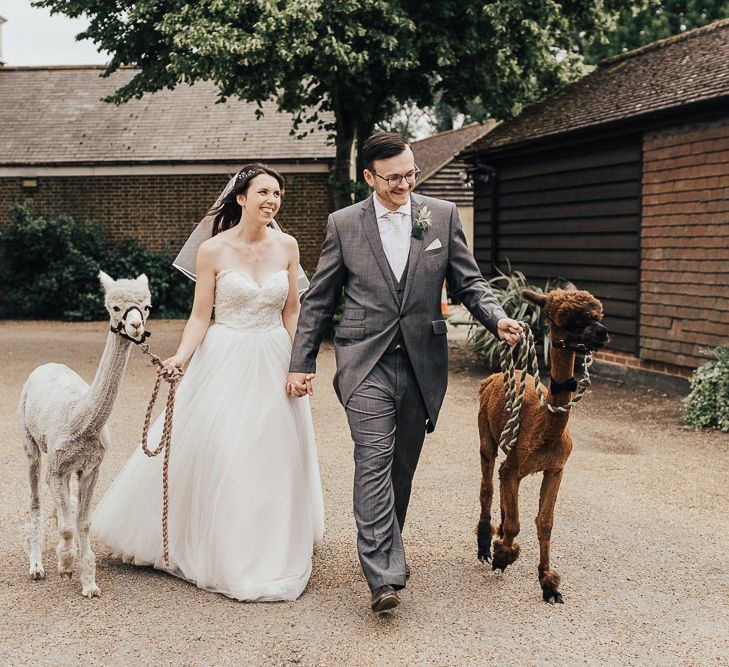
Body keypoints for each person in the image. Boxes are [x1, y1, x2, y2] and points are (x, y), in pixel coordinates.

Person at [286, 133, 522, 614]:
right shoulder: (344, 224)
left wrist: (496, 318)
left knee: (401, 466)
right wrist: (301, 362)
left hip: (421, 361)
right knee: (374, 458)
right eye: (393, 177)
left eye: (410, 174)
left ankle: (386, 548)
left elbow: (469, 281)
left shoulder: (440, 215)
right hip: (364, 359)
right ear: (369, 177)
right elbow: (319, 300)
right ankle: (383, 575)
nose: (404, 184)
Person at [91, 164, 324, 602]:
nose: (272, 200)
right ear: (241, 198)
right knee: (229, 448)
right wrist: (180, 357)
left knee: (274, 450)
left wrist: (301, 360)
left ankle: (271, 537)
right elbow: (202, 315)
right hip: (226, 355)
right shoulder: (213, 250)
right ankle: (226, 544)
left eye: (277, 193)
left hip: (275, 356)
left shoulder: (288, 246)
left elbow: (292, 310)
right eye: (263, 192)